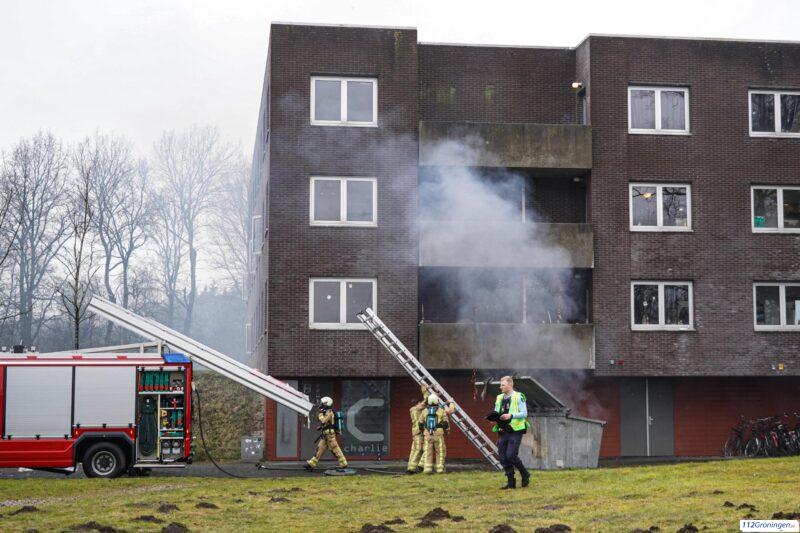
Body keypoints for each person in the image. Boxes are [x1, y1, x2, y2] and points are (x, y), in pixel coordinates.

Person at [492, 376, 531, 489]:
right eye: (500, 385)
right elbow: (496, 411)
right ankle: (511, 483)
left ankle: (525, 474)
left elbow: (524, 413)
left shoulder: (519, 396)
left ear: (510, 385)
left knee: (511, 455)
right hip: (502, 430)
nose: (500, 387)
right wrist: (493, 419)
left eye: (502, 385)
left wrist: (511, 415)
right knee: (503, 457)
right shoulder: (499, 397)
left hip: (515, 429)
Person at [304, 396, 348, 471]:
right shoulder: (325, 412)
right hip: (325, 435)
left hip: (330, 435)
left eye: (322, 403)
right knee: (319, 449)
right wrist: (321, 426)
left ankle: (344, 464)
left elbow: (324, 421)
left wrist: (320, 415)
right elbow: (324, 423)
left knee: (335, 449)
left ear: (326, 404)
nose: (320, 405)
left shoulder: (329, 412)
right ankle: (311, 464)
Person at [422, 392, 455, 474]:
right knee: (440, 452)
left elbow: (420, 423)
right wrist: (447, 431)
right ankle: (440, 469)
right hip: (438, 435)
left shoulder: (424, 411)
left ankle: (427, 469)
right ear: (437, 401)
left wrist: (425, 432)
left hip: (427, 435)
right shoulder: (441, 411)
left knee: (427, 452)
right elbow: (446, 423)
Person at [406, 384, 430, 474]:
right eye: (420, 403)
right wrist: (425, 390)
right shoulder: (416, 409)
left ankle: (410, 468)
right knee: (422, 450)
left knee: (414, 451)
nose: (421, 404)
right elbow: (427, 401)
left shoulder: (413, 410)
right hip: (419, 432)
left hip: (416, 432)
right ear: (417, 403)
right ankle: (417, 468)